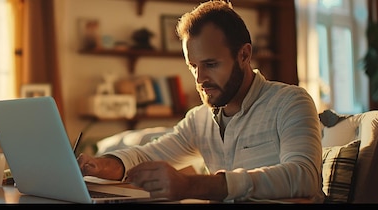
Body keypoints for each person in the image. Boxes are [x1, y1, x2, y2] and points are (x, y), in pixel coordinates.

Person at [77, 0, 324, 203]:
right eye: (193, 66)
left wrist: (193, 185)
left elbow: (303, 177)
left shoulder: (290, 102)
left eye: (211, 64)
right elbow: (148, 154)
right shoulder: (199, 120)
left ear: (244, 55)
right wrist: (102, 165)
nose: (200, 78)